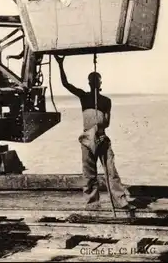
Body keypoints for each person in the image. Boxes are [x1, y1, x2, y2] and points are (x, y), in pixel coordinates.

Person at [55, 55, 134, 211]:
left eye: (97, 81)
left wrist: (99, 126)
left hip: (102, 137)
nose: (95, 83)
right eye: (93, 81)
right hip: (87, 139)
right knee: (89, 173)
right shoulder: (84, 97)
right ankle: (92, 203)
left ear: (100, 83)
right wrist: (60, 64)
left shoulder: (106, 101)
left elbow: (108, 122)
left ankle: (120, 200)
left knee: (111, 171)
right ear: (89, 83)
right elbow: (65, 84)